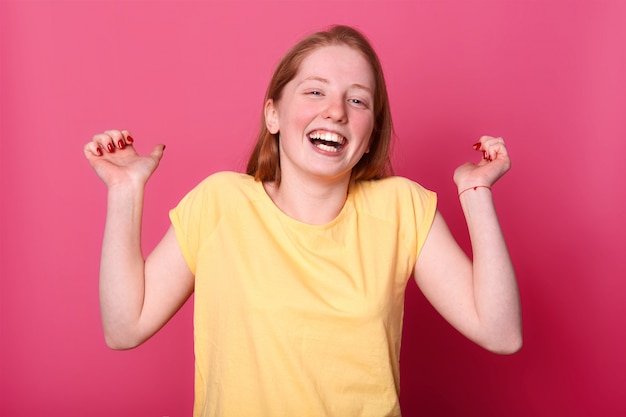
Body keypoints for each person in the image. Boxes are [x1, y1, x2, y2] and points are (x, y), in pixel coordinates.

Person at [84, 25, 521, 417]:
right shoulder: (220, 202)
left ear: (370, 136)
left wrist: (476, 191)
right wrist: (124, 191)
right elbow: (125, 327)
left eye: (357, 99)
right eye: (315, 91)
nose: (335, 111)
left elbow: (501, 333)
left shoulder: (401, 209)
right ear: (272, 114)